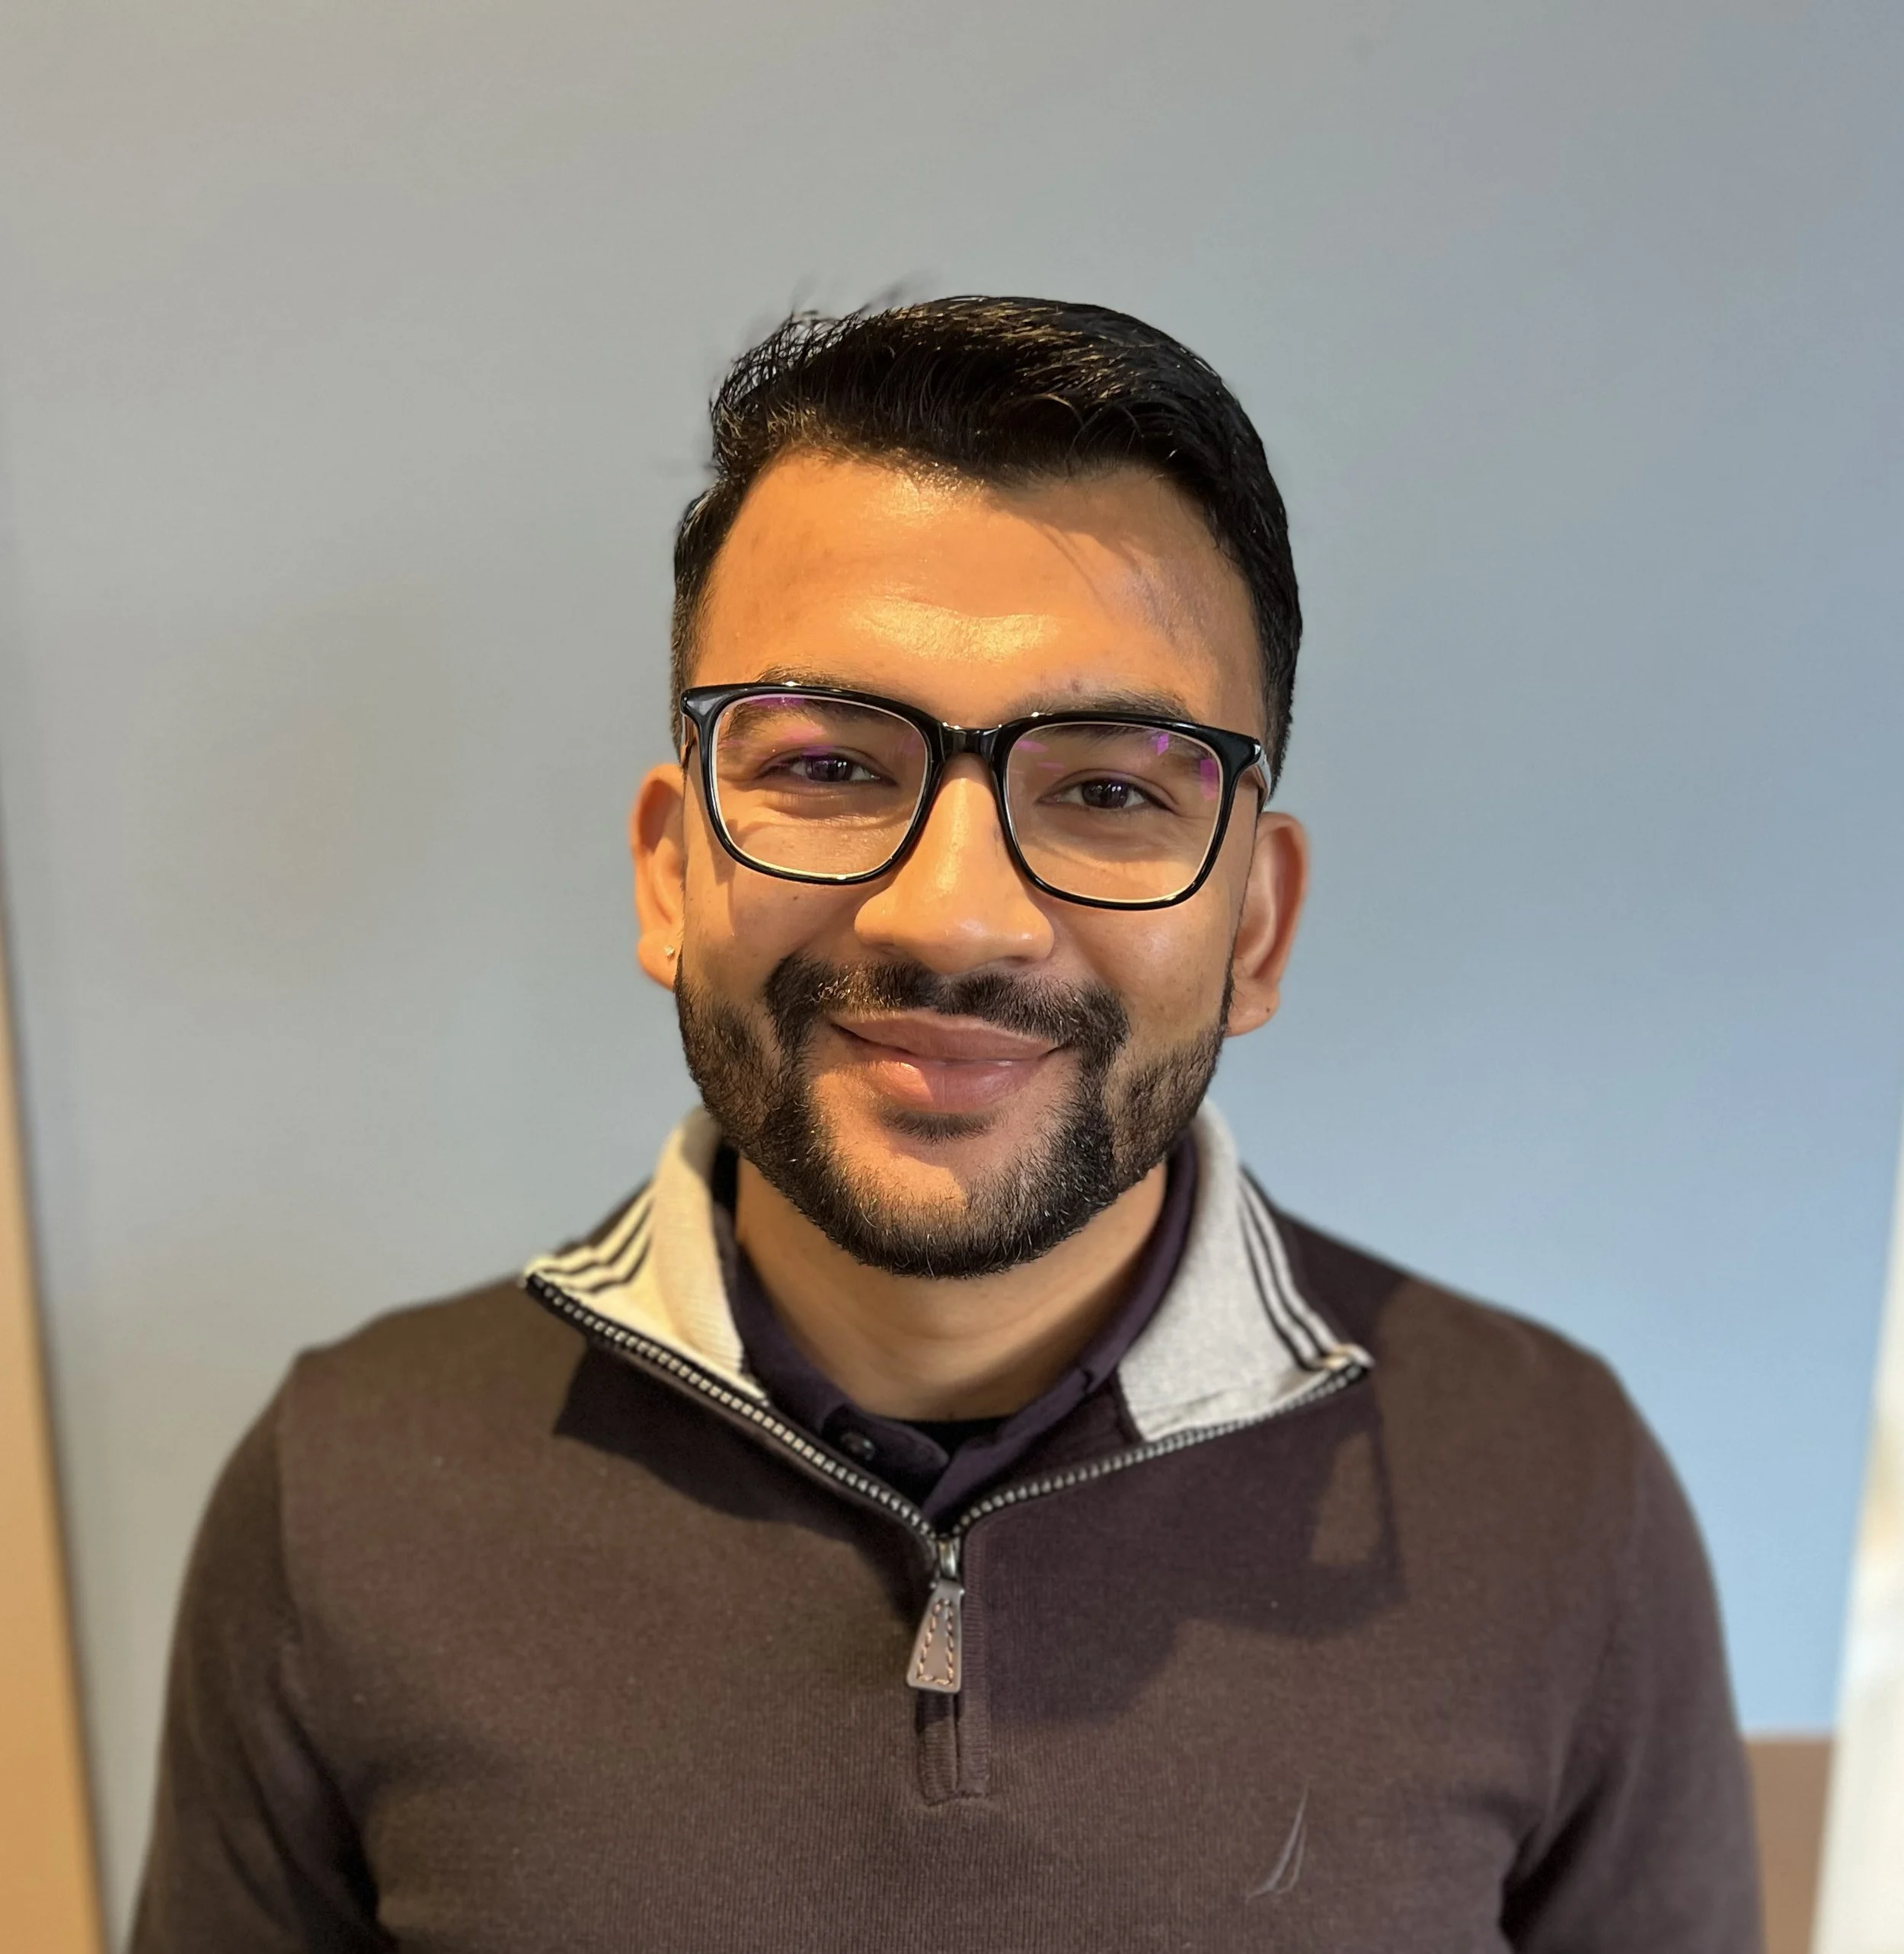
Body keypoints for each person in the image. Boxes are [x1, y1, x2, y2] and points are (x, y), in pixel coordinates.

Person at [134, 297, 1762, 1952]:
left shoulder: (1556, 1495)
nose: (954, 916)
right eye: (829, 766)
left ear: (1256, 927)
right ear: (668, 872)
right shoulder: (344, 1488)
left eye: (1112, 789)